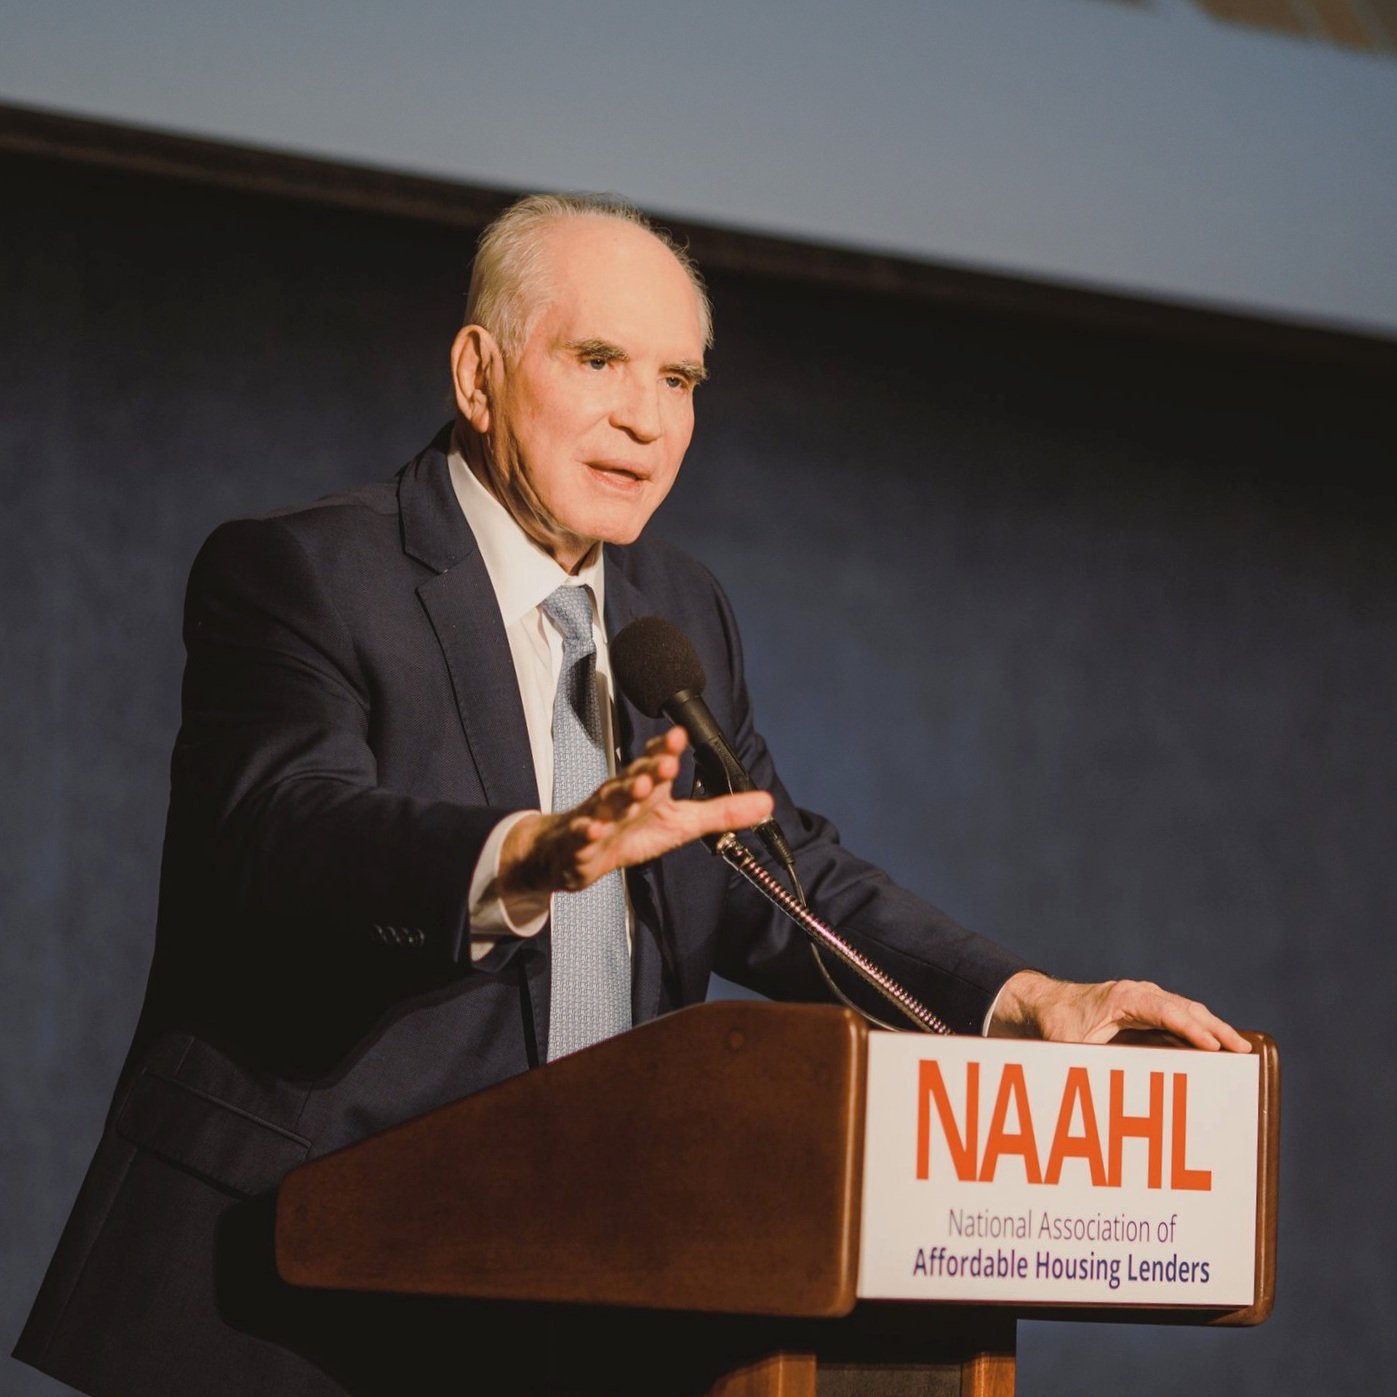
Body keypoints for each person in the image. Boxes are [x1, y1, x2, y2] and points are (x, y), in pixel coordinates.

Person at [15, 194, 1248, 1397]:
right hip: (293, 1281)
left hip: (586, 1278)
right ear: (477, 372)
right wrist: (527, 853)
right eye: (599, 359)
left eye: (680, 380)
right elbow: (282, 830)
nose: (645, 420)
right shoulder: (303, 570)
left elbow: (771, 867)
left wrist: (1020, 1000)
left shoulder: (674, 603)